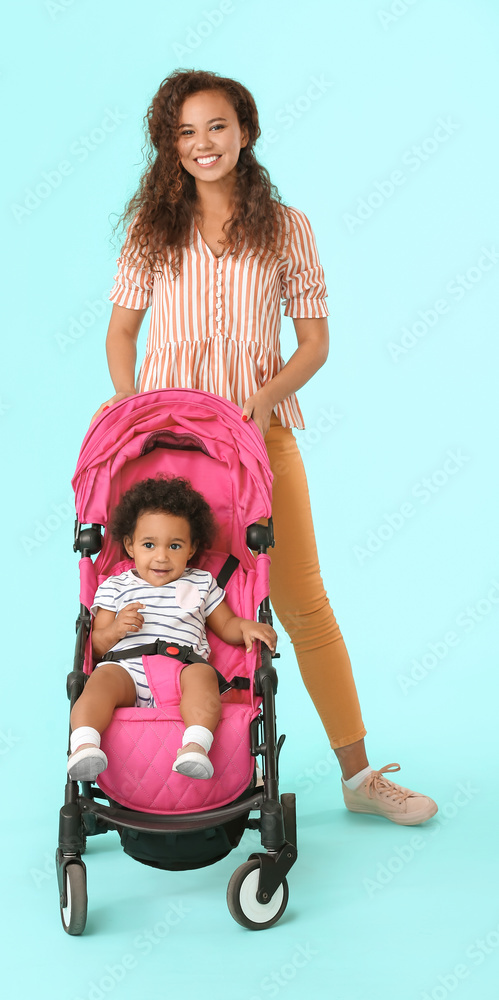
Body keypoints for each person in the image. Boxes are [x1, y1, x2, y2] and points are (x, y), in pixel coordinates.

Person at [90, 69, 437, 826]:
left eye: (215, 127)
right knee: (154, 595)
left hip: (258, 440)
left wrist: (267, 396)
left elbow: (313, 342)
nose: (201, 144)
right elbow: (121, 332)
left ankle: (358, 775)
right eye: (184, 132)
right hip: (165, 450)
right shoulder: (150, 229)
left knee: (300, 600)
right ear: (168, 145)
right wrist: (128, 406)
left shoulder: (287, 226)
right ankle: (145, 772)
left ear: (243, 130)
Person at [67, 475, 276, 782]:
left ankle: (195, 746)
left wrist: (246, 627)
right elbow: (96, 645)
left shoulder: (201, 582)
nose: (161, 556)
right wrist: (116, 631)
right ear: (130, 545)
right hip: (126, 669)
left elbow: (226, 624)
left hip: (182, 667)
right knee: (98, 680)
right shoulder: (115, 585)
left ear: (191, 548)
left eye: (174, 545)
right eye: (149, 545)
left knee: (204, 677)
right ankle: (85, 745)